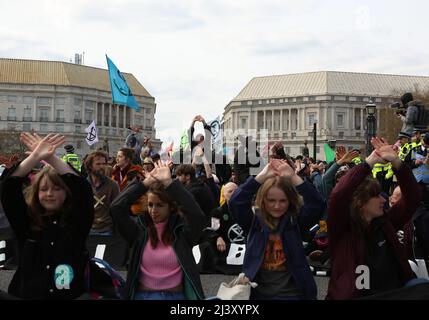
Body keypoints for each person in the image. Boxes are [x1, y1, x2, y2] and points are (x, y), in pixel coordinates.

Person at [327, 137, 424, 300]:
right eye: (376, 196)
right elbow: (338, 195)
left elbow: (413, 199)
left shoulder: (386, 222)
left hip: (395, 293)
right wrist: (368, 163)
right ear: (360, 203)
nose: (383, 199)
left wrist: (398, 164)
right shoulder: (342, 230)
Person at [0, 133, 94, 299]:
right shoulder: (27, 222)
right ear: (36, 193)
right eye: (44, 189)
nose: (49, 194)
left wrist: (51, 159)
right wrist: (35, 157)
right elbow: (8, 188)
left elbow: (83, 189)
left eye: (57, 189)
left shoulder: (76, 222)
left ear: (67, 193)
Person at [228, 158, 326, 300]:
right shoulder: (254, 221)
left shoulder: (295, 221)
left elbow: (317, 204)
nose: (276, 206)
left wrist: (293, 177)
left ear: (290, 200)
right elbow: (236, 202)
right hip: (258, 293)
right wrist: (260, 177)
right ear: (263, 200)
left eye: (282, 201)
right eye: (271, 200)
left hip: (293, 294)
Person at [109, 162, 206, 300]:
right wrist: (144, 184)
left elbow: (197, 216)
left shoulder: (181, 232)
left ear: (171, 207)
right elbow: (116, 208)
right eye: (150, 205)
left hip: (177, 297)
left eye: (160, 205)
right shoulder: (138, 230)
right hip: (143, 296)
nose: (154, 210)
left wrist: (170, 183)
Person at [84, 151, 120, 236]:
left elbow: (117, 209)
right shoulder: (83, 185)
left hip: (107, 230)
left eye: (104, 164)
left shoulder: (113, 185)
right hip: (87, 229)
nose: (102, 167)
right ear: (90, 166)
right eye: (98, 164)